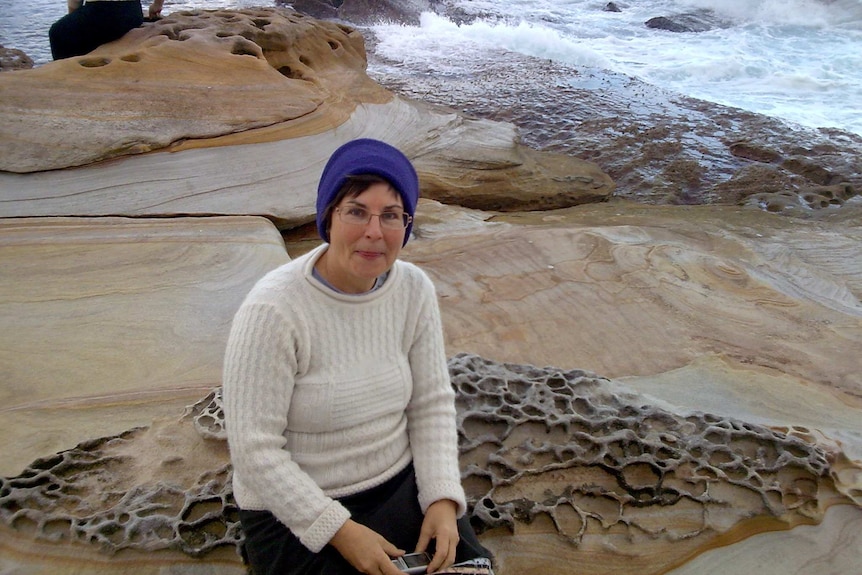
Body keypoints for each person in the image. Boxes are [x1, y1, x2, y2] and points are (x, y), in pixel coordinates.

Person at [222, 138, 493, 575]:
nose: (374, 231)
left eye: (391, 215)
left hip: (398, 486)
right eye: (356, 211)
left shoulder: (413, 289)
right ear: (328, 216)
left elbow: (431, 404)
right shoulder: (272, 310)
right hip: (295, 511)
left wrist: (442, 499)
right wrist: (339, 531)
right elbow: (255, 452)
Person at [49, 0, 165, 60]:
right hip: (132, 13)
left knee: (56, 32)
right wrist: (157, 5)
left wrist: (72, 19)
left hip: (102, 13)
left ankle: (68, 74)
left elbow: (74, 4)